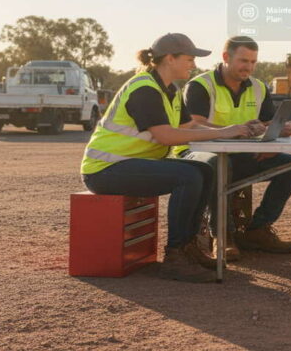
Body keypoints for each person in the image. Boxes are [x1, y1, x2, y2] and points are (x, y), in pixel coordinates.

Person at [80, 33, 254, 283]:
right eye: (189, 59)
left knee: (204, 170)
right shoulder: (144, 89)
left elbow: (190, 127)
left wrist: (236, 132)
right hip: (106, 170)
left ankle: (188, 247)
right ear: (170, 59)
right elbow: (165, 136)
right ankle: (175, 255)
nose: (193, 65)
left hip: (133, 163)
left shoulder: (170, 89)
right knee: (188, 176)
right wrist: (225, 132)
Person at [179, 36, 291, 261]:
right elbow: (193, 123)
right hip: (200, 155)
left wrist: (275, 131)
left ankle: (258, 230)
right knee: (219, 165)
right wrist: (232, 129)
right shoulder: (199, 85)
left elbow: (266, 121)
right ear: (226, 57)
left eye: (253, 62)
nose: (249, 67)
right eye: (244, 60)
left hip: (242, 154)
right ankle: (223, 237)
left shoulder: (259, 87)